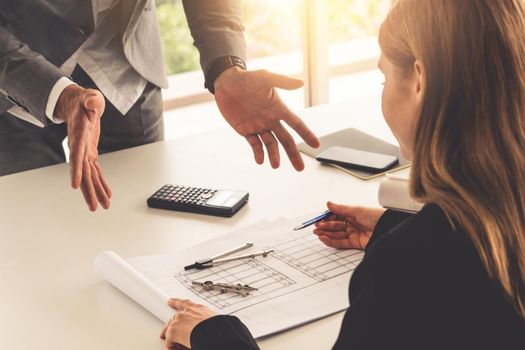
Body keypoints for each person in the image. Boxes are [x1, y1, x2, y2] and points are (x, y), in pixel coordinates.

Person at [159, 1, 525, 349]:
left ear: (419, 81)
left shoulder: (405, 270)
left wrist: (219, 336)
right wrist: (392, 225)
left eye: (383, 80)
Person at [0, 0, 320, 211]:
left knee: (146, 219)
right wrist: (61, 94)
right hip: (17, 76)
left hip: (125, 64)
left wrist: (226, 66)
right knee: (31, 231)